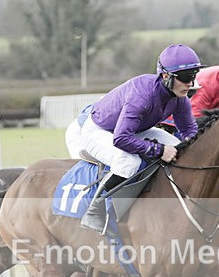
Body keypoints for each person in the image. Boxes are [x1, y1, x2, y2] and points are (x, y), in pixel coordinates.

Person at [77, 44, 203, 234]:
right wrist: (159, 151)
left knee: (179, 147)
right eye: (185, 77)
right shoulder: (142, 96)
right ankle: (94, 210)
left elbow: (189, 130)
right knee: (129, 162)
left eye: (193, 76)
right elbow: (121, 139)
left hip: (132, 130)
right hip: (99, 130)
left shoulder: (180, 97)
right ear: (166, 76)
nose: (190, 83)